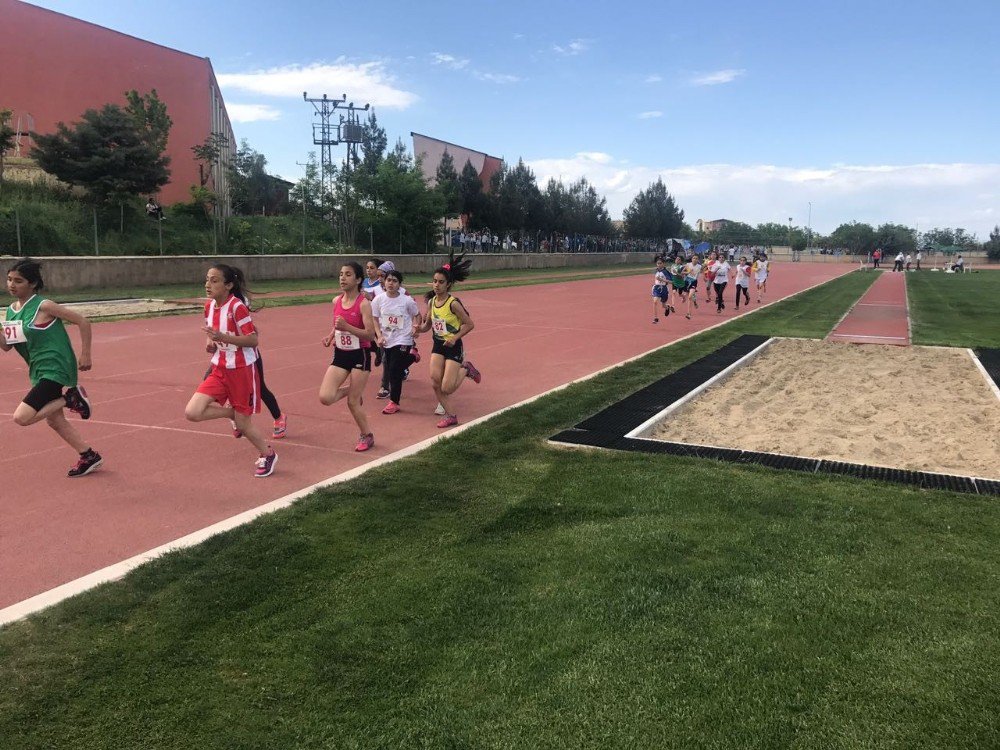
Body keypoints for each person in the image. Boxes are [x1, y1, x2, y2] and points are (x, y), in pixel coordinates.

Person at [1, 259, 102, 477]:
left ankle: (71, 399)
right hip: (37, 370)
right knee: (55, 420)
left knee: (22, 417)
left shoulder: (44, 306)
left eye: (18, 281)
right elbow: (9, 346)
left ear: (33, 283)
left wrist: (86, 354)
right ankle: (88, 455)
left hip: (56, 367)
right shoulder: (10, 311)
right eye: (9, 279)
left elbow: (83, 322)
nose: (11, 285)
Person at [185, 264, 277, 477]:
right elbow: (212, 332)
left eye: (214, 280)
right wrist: (210, 342)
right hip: (219, 367)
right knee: (192, 412)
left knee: (245, 425)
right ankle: (233, 414)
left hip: (242, 370)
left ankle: (268, 453)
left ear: (228, 285)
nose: (208, 284)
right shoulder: (209, 306)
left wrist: (223, 338)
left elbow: (253, 339)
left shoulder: (237, 307)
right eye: (207, 279)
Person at [417, 253, 481, 428]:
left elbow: (469, 324)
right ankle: (451, 415)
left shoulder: (453, 303)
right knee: (434, 381)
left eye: (441, 282)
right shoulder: (431, 302)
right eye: (434, 281)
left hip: (453, 346)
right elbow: (427, 325)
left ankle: (466, 369)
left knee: (447, 388)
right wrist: (418, 329)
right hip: (438, 345)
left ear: (449, 284)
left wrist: (455, 338)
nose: (436, 285)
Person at [319, 262, 377, 452]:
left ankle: (366, 435)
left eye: (348, 275)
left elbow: (370, 335)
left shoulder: (364, 304)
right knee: (326, 397)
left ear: (358, 279)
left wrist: (348, 328)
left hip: (360, 354)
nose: (342, 278)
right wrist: (329, 336)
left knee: (352, 403)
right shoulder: (336, 301)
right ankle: (353, 391)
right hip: (341, 353)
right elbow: (337, 324)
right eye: (341, 274)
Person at [372, 269, 420, 414]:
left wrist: (415, 327)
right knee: (393, 366)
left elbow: (417, 315)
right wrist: (379, 336)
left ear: (399, 284)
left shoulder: (406, 301)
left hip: (403, 338)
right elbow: (375, 319)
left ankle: (394, 402)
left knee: (393, 369)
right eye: (388, 280)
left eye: (394, 281)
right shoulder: (378, 300)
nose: (391, 283)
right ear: (384, 282)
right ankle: (413, 356)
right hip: (387, 339)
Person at [650, 256, 669, 323]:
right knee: (655, 301)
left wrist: (662, 279)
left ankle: (667, 308)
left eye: (660, 263)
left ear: (663, 264)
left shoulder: (666, 272)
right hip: (656, 288)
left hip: (664, 289)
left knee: (663, 305)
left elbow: (671, 282)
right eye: (658, 263)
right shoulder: (655, 271)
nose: (659, 265)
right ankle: (656, 318)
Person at [683, 254, 702, 319]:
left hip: (694, 282)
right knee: (689, 296)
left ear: (698, 260)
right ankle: (695, 302)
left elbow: (705, 270)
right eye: (694, 258)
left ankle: (688, 314)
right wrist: (688, 272)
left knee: (690, 296)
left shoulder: (699, 266)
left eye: (696, 258)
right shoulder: (688, 265)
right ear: (691, 259)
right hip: (687, 281)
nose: (695, 259)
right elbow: (682, 272)